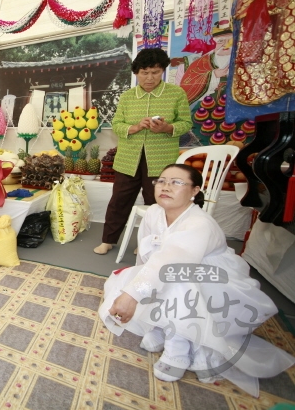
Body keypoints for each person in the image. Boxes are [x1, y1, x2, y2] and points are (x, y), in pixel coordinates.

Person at [99, 164, 295, 394]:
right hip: (170, 270)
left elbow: (170, 263)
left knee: (177, 278)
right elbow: (148, 258)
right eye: (161, 181)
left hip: (216, 281)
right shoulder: (153, 212)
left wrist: (132, 296)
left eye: (177, 182)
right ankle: (162, 325)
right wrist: (137, 289)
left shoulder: (199, 223)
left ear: (194, 191)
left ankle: (179, 345)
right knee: (129, 282)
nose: (166, 187)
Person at [94, 48, 192, 255]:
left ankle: (148, 243)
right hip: (129, 158)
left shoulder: (176, 94)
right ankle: (108, 240)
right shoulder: (128, 97)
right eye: (144, 72)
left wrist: (167, 128)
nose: (149, 78)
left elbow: (185, 123)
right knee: (119, 201)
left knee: (155, 203)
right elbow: (117, 124)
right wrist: (136, 127)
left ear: (163, 71)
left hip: (161, 160)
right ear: (136, 72)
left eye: (155, 72)